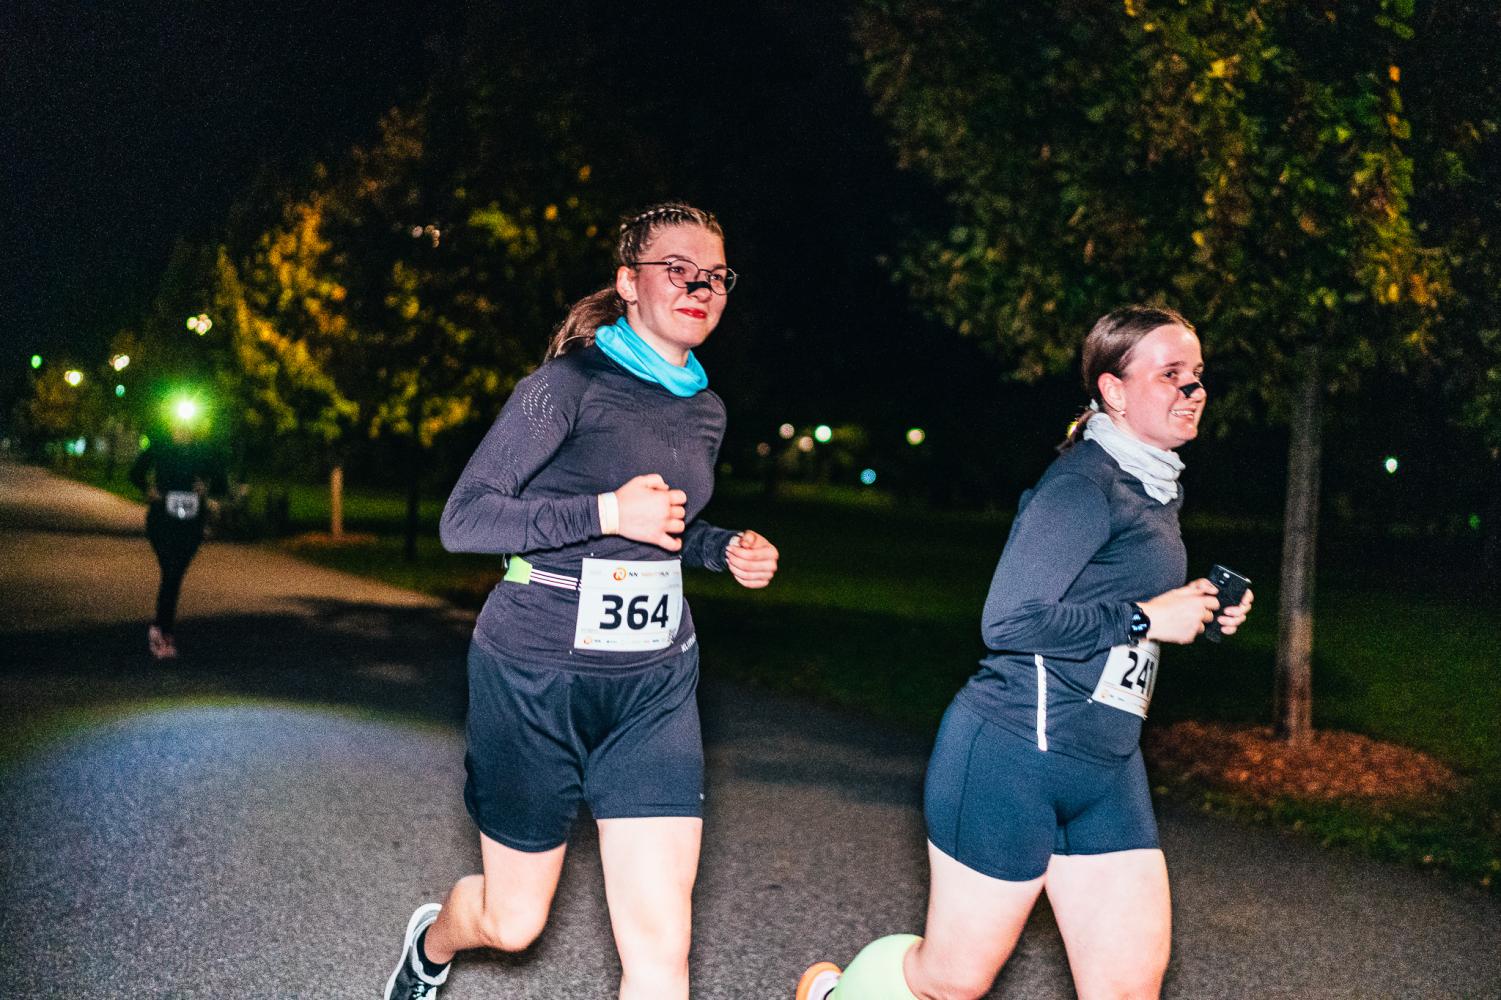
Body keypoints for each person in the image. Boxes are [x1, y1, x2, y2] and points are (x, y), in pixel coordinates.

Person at [798, 305, 1254, 1000]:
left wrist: (1197, 610)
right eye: (1170, 374)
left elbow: (1113, 608)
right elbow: (1008, 620)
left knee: (1128, 989)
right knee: (951, 981)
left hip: (1107, 767)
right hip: (1012, 758)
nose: (1193, 389)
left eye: (1196, 373)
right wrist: (1143, 617)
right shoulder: (1082, 484)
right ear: (1113, 390)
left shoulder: (1152, 486)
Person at [384, 202, 780, 1000]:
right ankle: (432, 944)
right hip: (536, 674)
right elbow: (465, 520)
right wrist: (604, 512)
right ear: (629, 283)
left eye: (715, 276)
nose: (700, 287)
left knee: (661, 951)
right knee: (512, 922)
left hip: (654, 686)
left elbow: (666, 525)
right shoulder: (563, 387)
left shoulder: (705, 409)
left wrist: (722, 548)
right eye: (678, 270)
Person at [128, 420, 225, 660]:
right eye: (178, 426)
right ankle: (161, 630)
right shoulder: (160, 447)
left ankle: (163, 629)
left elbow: (222, 483)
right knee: (170, 571)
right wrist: (149, 489)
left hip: (191, 524)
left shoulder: (204, 452)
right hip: (162, 520)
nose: (182, 431)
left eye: (187, 426)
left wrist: (207, 489)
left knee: (175, 574)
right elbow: (135, 473)